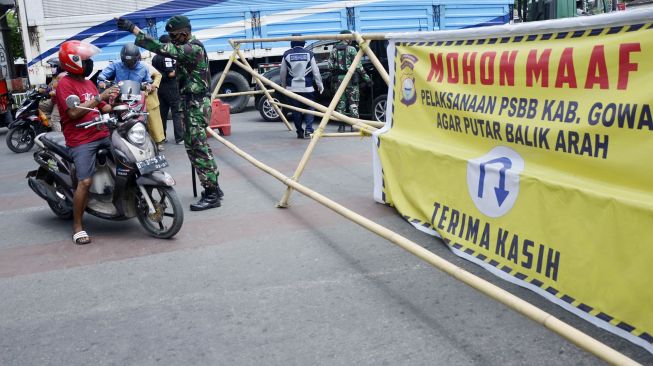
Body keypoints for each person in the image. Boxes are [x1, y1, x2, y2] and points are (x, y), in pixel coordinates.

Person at [116, 15, 223, 211]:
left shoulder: (192, 48)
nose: (172, 40)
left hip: (196, 104)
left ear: (184, 34)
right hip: (192, 102)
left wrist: (134, 30)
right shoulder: (188, 46)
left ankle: (212, 193)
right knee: (198, 148)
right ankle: (214, 187)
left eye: (174, 36)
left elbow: (163, 49)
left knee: (198, 150)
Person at [55, 40, 118, 244]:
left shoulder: (88, 82)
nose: (89, 63)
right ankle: (78, 226)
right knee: (85, 181)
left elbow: (102, 108)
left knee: (127, 161)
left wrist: (117, 101)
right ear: (73, 62)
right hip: (81, 139)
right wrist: (100, 96)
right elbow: (73, 113)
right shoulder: (65, 84)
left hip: (101, 133)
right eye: (85, 60)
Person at [97, 44, 165, 150]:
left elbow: (148, 81)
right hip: (119, 98)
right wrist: (102, 81)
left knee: (142, 119)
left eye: (132, 62)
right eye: (126, 62)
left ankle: (146, 141)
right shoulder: (116, 65)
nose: (129, 64)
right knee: (114, 120)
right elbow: (102, 75)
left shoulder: (143, 67)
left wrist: (148, 86)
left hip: (136, 99)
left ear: (137, 58)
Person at [279, 33, 324, 139]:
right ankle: (309, 130)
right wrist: (320, 85)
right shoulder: (309, 54)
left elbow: (282, 73)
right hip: (308, 88)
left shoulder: (286, 54)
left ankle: (299, 131)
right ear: (303, 43)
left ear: (292, 42)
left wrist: (284, 86)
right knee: (310, 108)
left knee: (296, 110)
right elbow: (316, 72)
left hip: (292, 89)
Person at [327, 30, 370, 132]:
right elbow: (358, 66)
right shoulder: (352, 49)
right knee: (353, 102)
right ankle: (354, 126)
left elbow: (330, 66)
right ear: (346, 38)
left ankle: (341, 126)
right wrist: (367, 79)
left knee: (341, 102)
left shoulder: (333, 50)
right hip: (351, 80)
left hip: (338, 80)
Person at [152, 34, 183, 144]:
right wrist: (181, 70)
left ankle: (162, 137)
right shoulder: (168, 56)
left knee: (162, 113)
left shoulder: (155, 57)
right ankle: (179, 138)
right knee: (176, 112)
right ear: (168, 43)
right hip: (171, 87)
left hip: (159, 87)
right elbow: (171, 74)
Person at [144, 63, 166, 151]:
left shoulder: (144, 66)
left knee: (154, 122)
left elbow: (158, 75)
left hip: (149, 97)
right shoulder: (122, 68)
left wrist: (154, 85)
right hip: (133, 98)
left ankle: (158, 142)